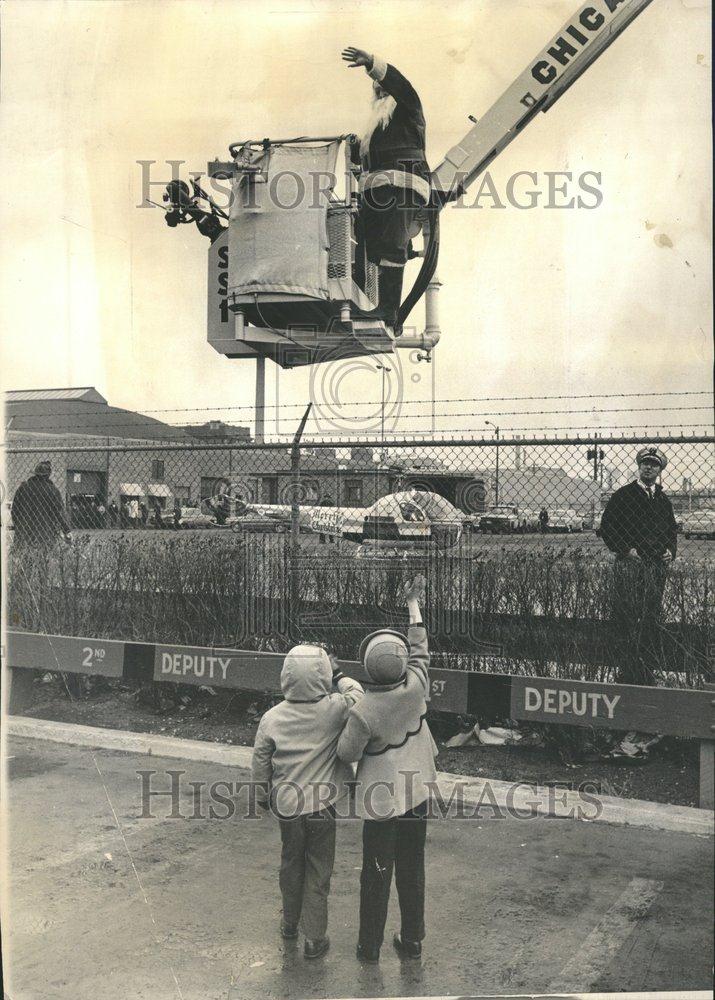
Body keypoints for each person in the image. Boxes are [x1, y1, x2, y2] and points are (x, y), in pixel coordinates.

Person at [337, 574, 437, 963]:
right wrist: (413, 605)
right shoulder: (415, 687)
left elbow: (346, 753)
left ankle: (369, 947)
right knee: (412, 866)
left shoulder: (363, 711)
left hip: (381, 800)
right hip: (417, 791)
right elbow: (420, 650)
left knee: (375, 872)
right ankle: (412, 939)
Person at [252, 645, 364, 960]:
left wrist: (262, 795)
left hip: (287, 806)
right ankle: (314, 937)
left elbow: (261, 761)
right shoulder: (335, 709)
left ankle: (290, 923)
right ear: (322, 676)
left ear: (286, 675)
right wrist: (339, 674)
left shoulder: (271, 717)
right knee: (318, 868)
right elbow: (358, 695)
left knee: (291, 863)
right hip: (322, 806)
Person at [342, 46, 430, 331]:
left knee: (392, 247)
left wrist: (374, 65)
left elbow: (402, 86)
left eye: (382, 86)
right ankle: (376, 306)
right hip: (377, 190)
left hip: (401, 186)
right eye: (376, 88)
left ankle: (389, 311)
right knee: (372, 248)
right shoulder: (377, 126)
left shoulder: (408, 107)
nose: (379, 90)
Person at [599, 447, 677, 685]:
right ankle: (626, 669)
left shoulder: (663, 499)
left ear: (660, 470)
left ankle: (645, 667)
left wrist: (670, 551)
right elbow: (607, 527)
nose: (649, 468)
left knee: (650, 614)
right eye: (645, 463)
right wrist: (625, 549)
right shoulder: (624, 495)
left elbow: (672, 530)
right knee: (627, 615)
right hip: (631, 564)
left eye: (654, 465)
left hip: (655, 568)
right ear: (639, 466)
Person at [11, 460, 72, 547]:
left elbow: (14, 510)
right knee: (43, 559)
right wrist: (66, 530)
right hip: (45, 535)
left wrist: (18, 526)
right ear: (48, 474)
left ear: (35, 473)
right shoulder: (53, 490)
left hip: (23, 535)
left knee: (23, 558)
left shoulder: (23, 488)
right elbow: (60, 512)